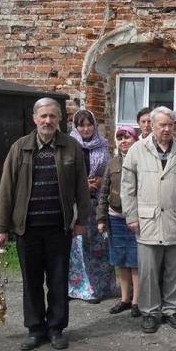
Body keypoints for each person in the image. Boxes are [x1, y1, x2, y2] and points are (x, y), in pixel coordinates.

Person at [0, 97, 90, 350]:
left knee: (58, 280)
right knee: (32, 281)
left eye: (53, 116)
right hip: (28, 228)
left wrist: (81, 221)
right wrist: (1, 227)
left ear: (59, 120)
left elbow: (81, 186)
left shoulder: (70, 147)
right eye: (43, 116)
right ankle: (35, 329)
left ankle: (56, 328)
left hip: (59, 228)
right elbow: (6, 188)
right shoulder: (20, 147)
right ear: (34, 119)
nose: (48, 121)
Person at [121, 106, 176, 334]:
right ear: (152, 126)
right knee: (148, 271)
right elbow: (127, 188)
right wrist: (131, 216)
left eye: (171, 125)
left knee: (175, 270)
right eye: (162, 125)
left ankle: (172, 310)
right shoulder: (137, 150)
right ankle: (149, 312)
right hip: (147, 221)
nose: (167, 129)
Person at [68, 110, 116, 303]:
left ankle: (100, 287)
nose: (86, 128)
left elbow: (111, 171)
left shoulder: (103, 145)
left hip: (98, 203)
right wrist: (82, 185)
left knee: (99, 246)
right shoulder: (69, 145)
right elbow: (63, 174)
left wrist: (102, 180)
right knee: (77, 246)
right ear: (76, 127)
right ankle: (78, 288)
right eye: (81, 125)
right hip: (76, 204)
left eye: (89, 124)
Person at [96, 126, 141, 317]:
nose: (124, 141)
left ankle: (137, 302)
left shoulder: (142, 161)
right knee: (121, 259)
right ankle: (124, 299)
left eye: (127, 137)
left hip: (137, 219)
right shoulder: (112, 163)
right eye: (120, 138)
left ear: (135, 140)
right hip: (115, 218)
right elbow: (104, 191)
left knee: (136, 261)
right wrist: (101, 218)